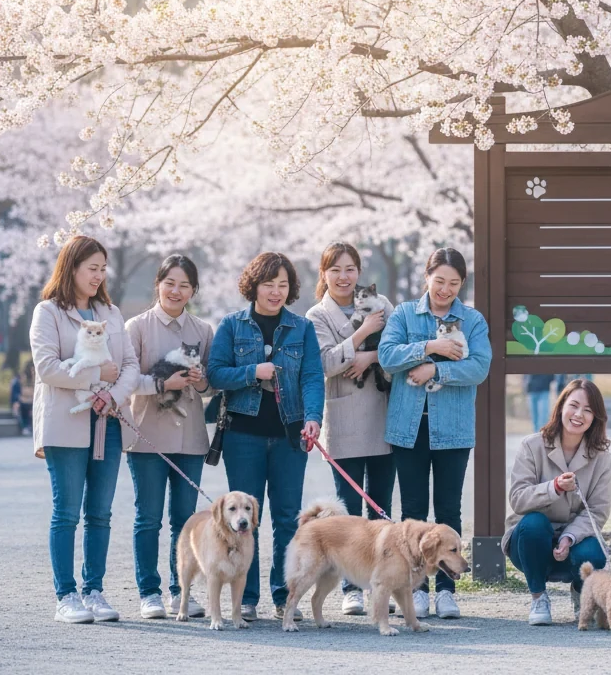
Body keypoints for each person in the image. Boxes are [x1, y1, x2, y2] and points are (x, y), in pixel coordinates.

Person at [207, 251, 325, 623]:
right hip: (243, 434)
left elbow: (312, 378)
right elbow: (215, 374)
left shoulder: (301, 328)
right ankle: (247, 596)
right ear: (253, 286)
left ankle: (284, 594)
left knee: (288, 518)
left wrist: (313, 418)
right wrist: (251, 372)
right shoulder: (232, 325)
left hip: (290, 436)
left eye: (282, 285)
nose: (275, 292)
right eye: (268, 284)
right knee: (243, 520)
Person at [30, 235, 140, 624]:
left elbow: (129, 366)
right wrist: (96, 377)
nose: (98, 275)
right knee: (67, 512)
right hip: (66, 424)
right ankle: (66, 595)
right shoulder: (48, 312)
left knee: (100, 512)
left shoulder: (110, 312)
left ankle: (94, 590)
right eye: (91, 268)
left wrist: (112, 397)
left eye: (102, 269)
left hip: (106, 423)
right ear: (71, 267)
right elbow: (47, 368)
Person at [379, 247, 492, 621]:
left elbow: (479, 367)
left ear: (462, 284)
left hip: (454, 431)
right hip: (408, 429)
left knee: (447, 509)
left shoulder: (472, 320)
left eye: (454, 283)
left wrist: (434, 372)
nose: (445, 289)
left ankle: (447, 589)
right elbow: (387, 355)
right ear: (426, 277)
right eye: (439, 280)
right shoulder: (405, 314)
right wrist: (432, 348)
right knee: (412, 513)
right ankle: (415, 590)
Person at [305, 242, 394, 616]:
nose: (343, 277)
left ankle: (383, 582)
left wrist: (369, 355)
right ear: (324, 274)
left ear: (359, 272)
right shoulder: (316, 315)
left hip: (383, 415)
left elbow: (396, 348)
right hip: (344, 420)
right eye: (335, 270)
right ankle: (350, 586)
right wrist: (361, 336)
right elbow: (325, 363)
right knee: (348, 511)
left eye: (350, 269)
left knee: (382, 506)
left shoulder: (383, 304)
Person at [122, 255, 212, 621]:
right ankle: (149, 592)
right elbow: (126, 381)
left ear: (193, 290)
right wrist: (164, 383)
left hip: (190, 436)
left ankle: (182, 591)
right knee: (148, 518)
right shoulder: (137, 327)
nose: (176, 291)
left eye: (184, 285)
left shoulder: (203, 330)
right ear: (158, 283)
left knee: (185, 519)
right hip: (147, 436)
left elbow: (209, 387)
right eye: (170, 282)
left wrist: (199, 379)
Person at [503, 379, 611, 626]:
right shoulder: (532, 445)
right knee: (533, 523)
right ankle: (538, 597)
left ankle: (580, 591)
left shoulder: (602, 456)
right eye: (574, 405)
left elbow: (597, 511)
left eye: (588, 410)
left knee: (593, 553)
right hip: (529, 545)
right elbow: (518, 499)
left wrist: (569, 537)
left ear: (596, 417)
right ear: (561, 406)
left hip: (573, 544)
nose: (579, 414)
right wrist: (553, 488)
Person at [11, 359, 34, 435]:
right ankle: (25, 427)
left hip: (29, 402)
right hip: (20, 402)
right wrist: (16, 401)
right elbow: (16, 395)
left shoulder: (33, 380)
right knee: (22, 408)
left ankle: (28, 427)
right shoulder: (17, 382)